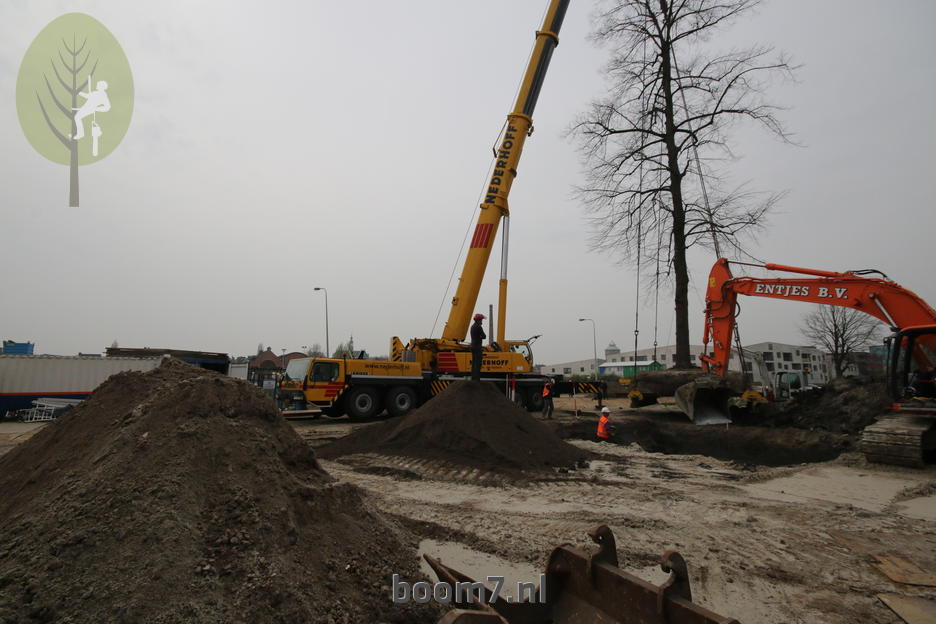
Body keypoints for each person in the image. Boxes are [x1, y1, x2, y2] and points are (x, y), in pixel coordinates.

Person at [470, 313, 486, 381]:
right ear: (478, 320)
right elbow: (484, 336)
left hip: (473, 346)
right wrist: (480, 336)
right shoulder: (479, 327)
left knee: (474, 363)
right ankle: (477, 379)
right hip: (477, 347)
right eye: (481, 320)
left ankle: (473, 378)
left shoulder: (472, 326)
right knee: (478, 363)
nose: (481, 321)